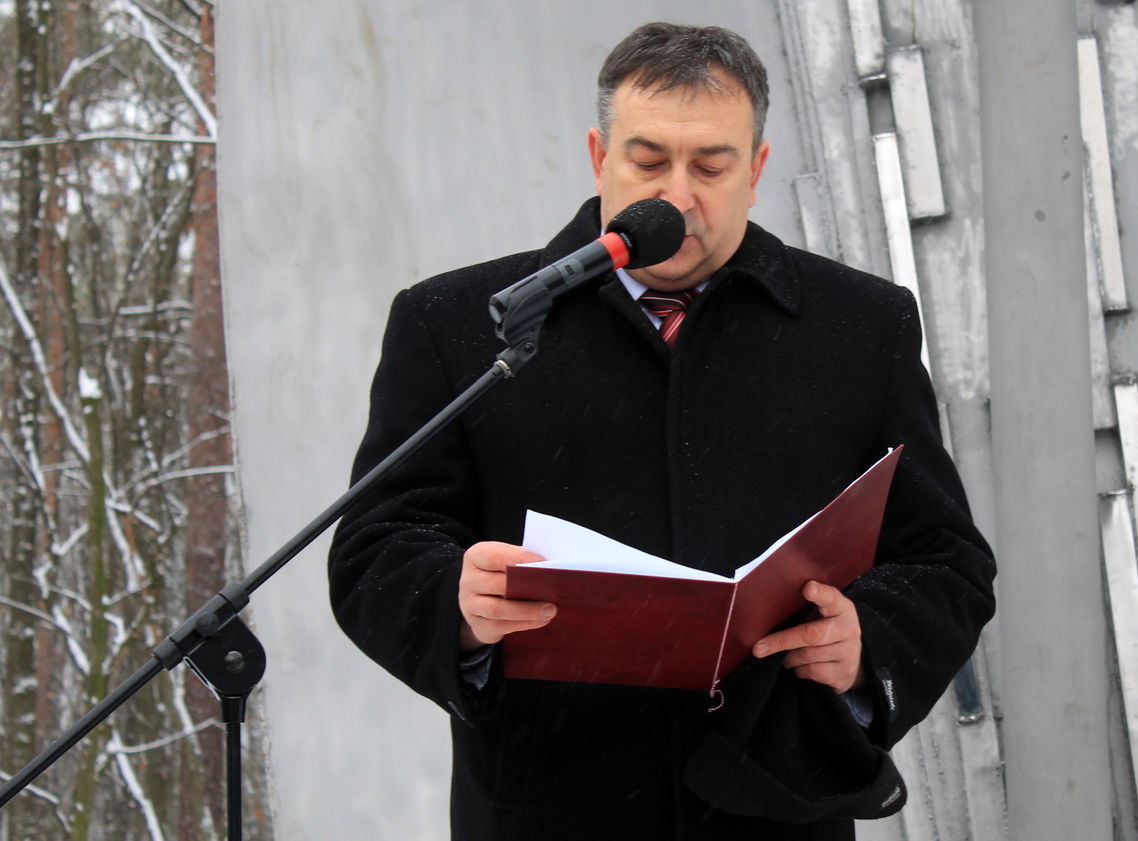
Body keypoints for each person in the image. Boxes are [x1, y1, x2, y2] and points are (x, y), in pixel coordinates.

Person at [329, 22, 994, 841]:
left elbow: (945, 561)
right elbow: (376, 547)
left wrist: (867, 643)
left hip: (776, 812)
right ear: (598, 156)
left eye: (711, 166)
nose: (677, 196)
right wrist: (454, 601)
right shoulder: (457, 324)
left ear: (756, 170)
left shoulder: (861, 327)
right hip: (548, 813)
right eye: (647, 162)